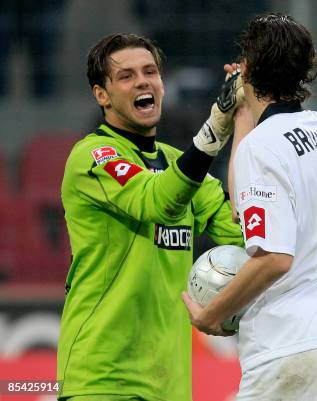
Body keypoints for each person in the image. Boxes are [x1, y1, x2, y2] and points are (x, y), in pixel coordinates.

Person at [182, 13, 317, 401]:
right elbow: (242, 210)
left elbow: (274, 258)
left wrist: (212, 314)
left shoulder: (263, 148)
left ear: (247, 68)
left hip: (297, 346)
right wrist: (244, 115)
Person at [57, 33, 245, 401]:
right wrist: (214, 131)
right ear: (102, 95)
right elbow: (157, 201)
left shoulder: (180, 166)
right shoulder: (93, 156)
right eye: (126, 76)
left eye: (150, 71)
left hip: (170, 384)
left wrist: (245, 118)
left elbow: (244, 236)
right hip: (101, 380)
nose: (143, 81)